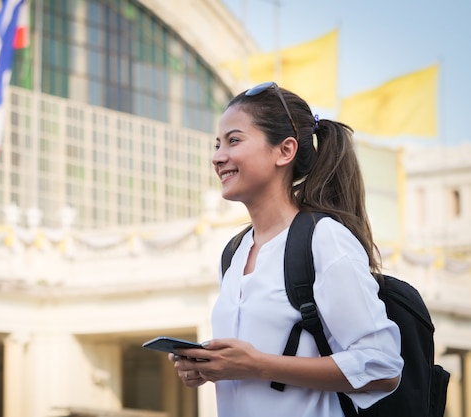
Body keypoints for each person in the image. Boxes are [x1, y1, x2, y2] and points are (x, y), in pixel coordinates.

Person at [168, 82, 403, 416]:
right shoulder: (233, 253)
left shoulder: (324, 240)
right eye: (217, 144)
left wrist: (258, 366)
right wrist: (209, 366)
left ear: (285, 151)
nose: (218, 157)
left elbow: (383, 368)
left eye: (234, 140)